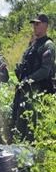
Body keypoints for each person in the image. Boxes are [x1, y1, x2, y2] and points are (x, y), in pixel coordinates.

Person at [13, 13, 55, 141]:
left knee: (33, 130)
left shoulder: (48, 45)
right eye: (34, 24)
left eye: (37, 24)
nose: (34, 26)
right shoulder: (32, 45)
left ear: (45, 25)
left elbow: (45, 71)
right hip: (25, 91)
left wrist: (27, 79)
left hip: (37, 92)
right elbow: (25, 63)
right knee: (20, 129)